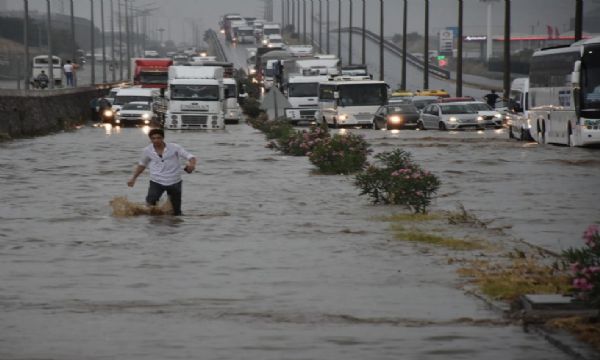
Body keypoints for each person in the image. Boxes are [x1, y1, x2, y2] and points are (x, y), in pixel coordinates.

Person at [127, 129, 196, 216]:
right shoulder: (147, 150)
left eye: (158, 138)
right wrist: (133, 178)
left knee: (176, 212)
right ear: (150, 139)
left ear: (163, 138)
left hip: (175, 181)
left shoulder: (175, 147)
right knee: (150, 206)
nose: (156, 140)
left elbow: (191, 157)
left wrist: (192, 165)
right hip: (156, 181)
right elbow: (142, 165)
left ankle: (174, 227)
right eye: (153, 138)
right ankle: (154, 226)